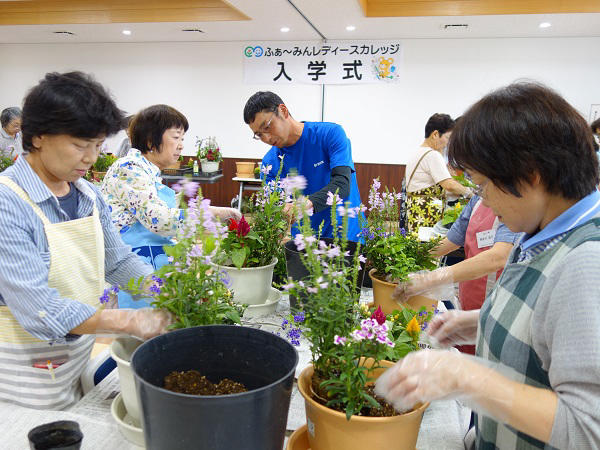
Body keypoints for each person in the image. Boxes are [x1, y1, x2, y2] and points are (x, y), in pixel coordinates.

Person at [375, 82, 600, 449]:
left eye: (482, 186)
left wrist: (471, 379)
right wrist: (481, 323)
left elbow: (588, 428)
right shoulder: (538, 229)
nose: (483, 202)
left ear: (530, 174)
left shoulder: (587, 261)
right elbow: (547, 326)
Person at [0, 72, 172, 410]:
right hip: (22, 365)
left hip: (75, 351)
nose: (91, 158)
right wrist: (127, 320)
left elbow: (118, 261)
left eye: (97, 145)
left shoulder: (89, 195)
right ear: (37, 137)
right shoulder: (9, 202)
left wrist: (166, 290)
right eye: (80, 146)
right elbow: (40, 310)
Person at [101, 104, 240, 308]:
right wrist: (208, 216)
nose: (182, 145)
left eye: (182, 139)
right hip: (131, 267)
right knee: (141, 332)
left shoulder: (147, 171)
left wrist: (218, 213)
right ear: (150, 140)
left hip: (147, 261)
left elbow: (169, 206)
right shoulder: (129, 169)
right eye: (176, 137)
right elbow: (160, 219)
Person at [393, 194, 521, 354]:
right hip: (468, 294)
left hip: (495, 300)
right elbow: (450, 241)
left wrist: (432, 278)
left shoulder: (512, 204)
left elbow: (498, 257)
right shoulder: (477, 200)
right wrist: (409, 256)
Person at [243, 91, 363, 241]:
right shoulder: (270, 163)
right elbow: (280, 208)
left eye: (267, 126)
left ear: (283, 111)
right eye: (259, 135)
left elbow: (342, 184)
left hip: (345, 234)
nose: (266, 138)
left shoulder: (329, 134)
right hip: (305, 243)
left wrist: (305, 203)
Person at [405, 113, 473, 233]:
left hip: (416, 213)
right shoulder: (432, 155)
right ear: (435, 134)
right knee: (430, 248)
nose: (447, 143)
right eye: (447, 138)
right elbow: (449, 185)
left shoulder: (419, 152)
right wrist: (470, 194)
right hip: (427, 214)